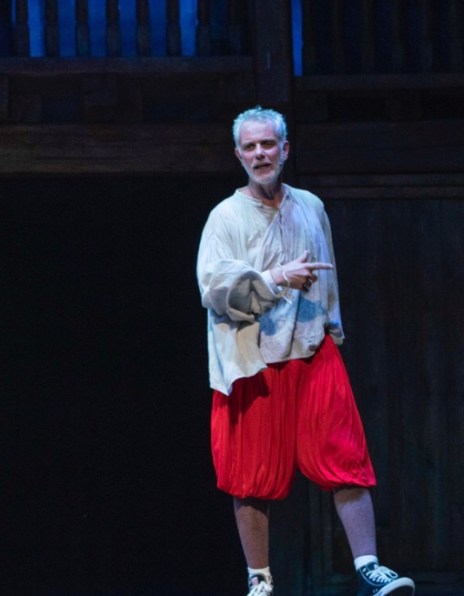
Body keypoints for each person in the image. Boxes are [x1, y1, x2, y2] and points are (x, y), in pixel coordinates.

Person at [196, 107, 414, 596]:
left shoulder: (311, 206)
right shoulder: (225, 217)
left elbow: (325, 272)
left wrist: (332, 329)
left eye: (268, 144)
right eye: (250, 147)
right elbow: (214, 289)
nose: (260, 154)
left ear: (285, 149)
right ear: (238, 155)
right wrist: (276, 277)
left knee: (346, 456)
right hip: (253, 359)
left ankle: (369, 567)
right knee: (250, 475)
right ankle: (259, 579)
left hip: (313, 348)